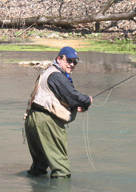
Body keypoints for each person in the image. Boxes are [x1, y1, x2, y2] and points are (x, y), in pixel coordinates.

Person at [24, 46, 92, 179]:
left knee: (39, 166)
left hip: (32, 119)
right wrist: (87, 100)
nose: (72, 64)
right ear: (59, 58)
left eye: (75, 62)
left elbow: (60, 97)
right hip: (46, 121)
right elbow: (73, 96)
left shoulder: (48, 72)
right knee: (62, 170)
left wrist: (75, 106)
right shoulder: (57, 75)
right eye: (69, 60)